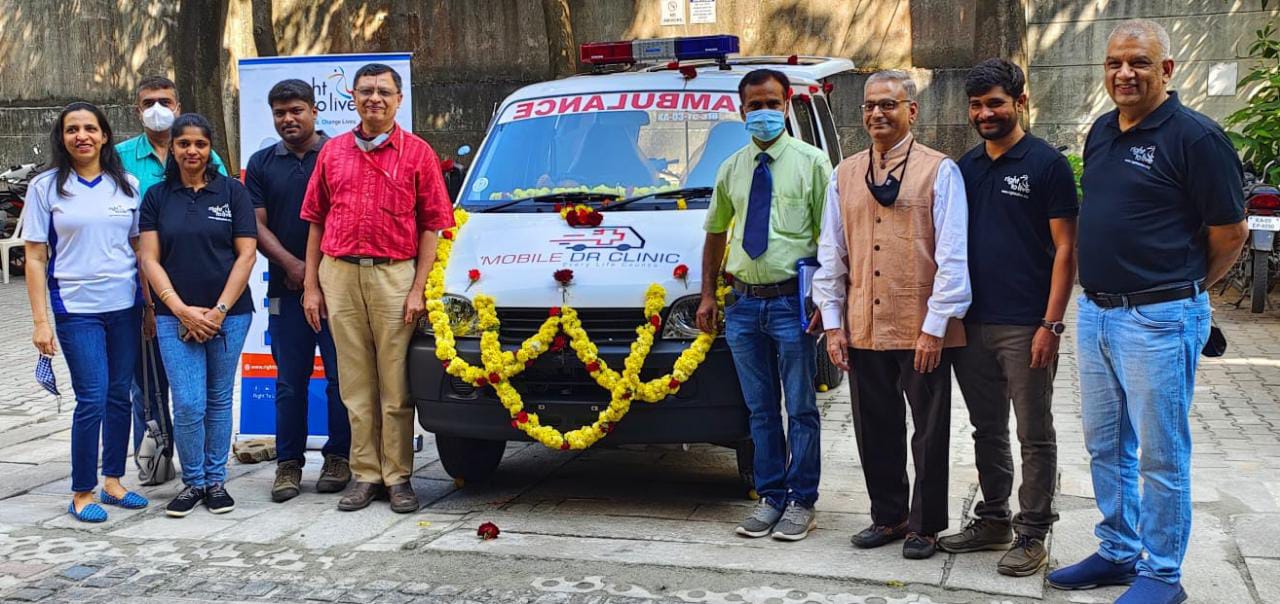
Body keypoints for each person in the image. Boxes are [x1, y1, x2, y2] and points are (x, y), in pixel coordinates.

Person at [1047, 20, 1247, 604]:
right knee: (1105, 445)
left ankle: (1162, 573)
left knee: (1161, 454)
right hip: (1099, 316)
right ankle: (1116, 551)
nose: (1124, 73)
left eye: (1138, 62)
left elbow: (1230, 235)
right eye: (1114, 63)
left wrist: (1185, 290)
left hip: (1159, 320)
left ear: (1167, 70)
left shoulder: (1196, 138)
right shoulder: (1104, 130)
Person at [812, 70, 970, 560]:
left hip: (922, 325)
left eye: (889, 105)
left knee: (929, 428)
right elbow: (830, 253)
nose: (877, 114)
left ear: (911, 111)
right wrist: (833, 323)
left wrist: (935, 326)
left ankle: (925, 524)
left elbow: (953, 255)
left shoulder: (939, 171)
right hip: (863, 323)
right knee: (874, 424)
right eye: (869, 106)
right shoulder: (845, 173)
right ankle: (889, 515)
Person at [938, 58, 1078, 576]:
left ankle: (1033, 532)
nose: (984, 113)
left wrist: (1051, 324)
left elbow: (1067, 250)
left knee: (1033, 431)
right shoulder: (964, 168)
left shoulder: (1047, 165)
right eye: (976, 105)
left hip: (1027, 325)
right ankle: (993, 518)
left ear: (1020, 101)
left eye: (995, 102)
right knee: (985, 427)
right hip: (971, 322)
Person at [300, 63, 454, 514]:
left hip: (395, 275)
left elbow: (433, 227)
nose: (374, 98)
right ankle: (365, 474)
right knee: (354, 384)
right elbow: (315, 221)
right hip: (340, 273)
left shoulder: (419, 153)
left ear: (398, 99)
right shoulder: (332, 153)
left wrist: (418, 290)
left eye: (383, 91)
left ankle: (399, 477)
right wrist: (312, 285)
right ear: (352, 96)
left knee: (395, 384)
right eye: (366, 90)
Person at [696, 68, 832, 541]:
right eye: (754, 106)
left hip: (791, 304)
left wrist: (826, 303)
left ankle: (801, 501)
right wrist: (709, 294)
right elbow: (715, 232)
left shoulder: (813, 164)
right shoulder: (731, 167)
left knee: (800, 406)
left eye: (772, 104)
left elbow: (830, 241)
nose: (764, 113)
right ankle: (771, 496)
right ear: (741, 111)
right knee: (759, 409)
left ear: (787, 103)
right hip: (744, 306)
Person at [22, 102, 149, 522]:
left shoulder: (127, 185)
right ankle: (82, 491)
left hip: (125, 308)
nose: (82, 136)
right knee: (91, 397)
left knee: (120, 396)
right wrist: (42, 322)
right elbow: (36, 258)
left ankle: (113, 481)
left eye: (90, 128)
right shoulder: (45, 187)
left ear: (105, 135)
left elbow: (139, 249)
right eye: (72, 129)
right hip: (76, 309)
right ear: (62, 138)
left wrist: (148, 306)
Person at [137, 113, 257, 518]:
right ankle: (192, 482)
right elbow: (149, 259)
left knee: (219, 398)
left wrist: (218, 312)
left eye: (200, 144)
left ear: (210, 150)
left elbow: (246, 255)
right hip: (175, 316)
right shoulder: (156, 196)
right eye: (183, 143)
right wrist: (181, 310)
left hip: (231, 315)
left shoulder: (232, 193)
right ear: (172, 148)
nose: (192, 151)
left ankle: (214, 480)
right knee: (188, 402)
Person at [246, 79, 351, 503]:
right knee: (290, 381)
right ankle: (288, 464)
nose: (288, 119)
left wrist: (320, 273)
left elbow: (347, 216)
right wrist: (292, 265)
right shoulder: (261, 162)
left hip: (339, 287)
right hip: (285, 290)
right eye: (280, 112)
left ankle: (339, 457)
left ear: (314, 110)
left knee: (342, 379)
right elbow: (254, 223)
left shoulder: (339, 154)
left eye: (296, 110)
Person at [117, 75, 227, 466]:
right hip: (139, 287)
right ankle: (154, 457)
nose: (157, 109)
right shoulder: (119, 158)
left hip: (199, 291)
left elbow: (222, 221)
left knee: (195, 389)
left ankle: (195, 462)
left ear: (178, 107)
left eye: (164, 101)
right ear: (137, 109)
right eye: (148, 102)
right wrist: (149, 302)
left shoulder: (207, 156)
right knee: (145, 383)